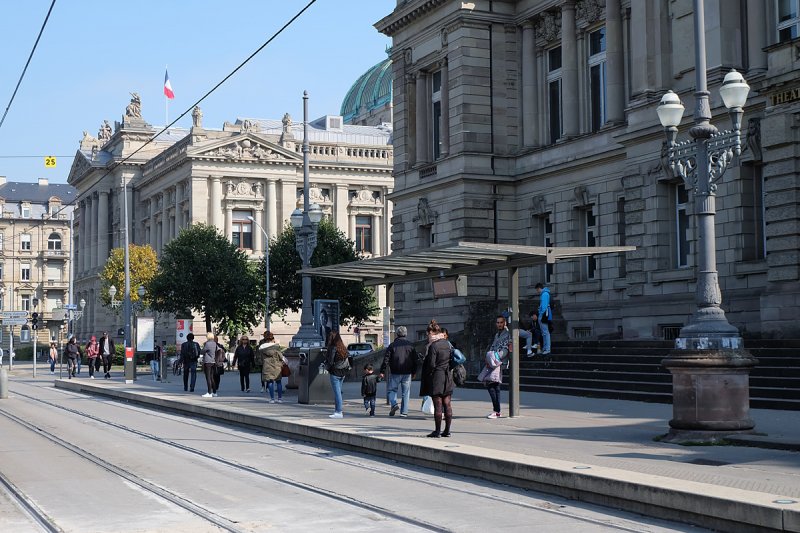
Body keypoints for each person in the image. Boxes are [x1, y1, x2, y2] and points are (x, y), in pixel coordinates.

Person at [419, 319, 454, 438]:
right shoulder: (447, 344)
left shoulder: (433, 346)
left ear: (432, 333)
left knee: (438, 405)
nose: (427, 336)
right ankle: (447, 431)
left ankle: (437, 431)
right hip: (448, 376)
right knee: (447, 404)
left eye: (428, 334)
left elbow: (431, 364)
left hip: (437, 377)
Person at [379, 325, 418, 418]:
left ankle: (394, 404)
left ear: (397, 334)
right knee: (406, 393)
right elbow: (415, 360)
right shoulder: (410, 345)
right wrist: (414, 372)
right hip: (407, 372)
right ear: (406, 334)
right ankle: (404, 412)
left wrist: (382, 371)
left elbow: (386, 359)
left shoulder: (392, 345)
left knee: (392, 390)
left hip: (395, 371)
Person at [484, 315, 511, 419]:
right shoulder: (497, 334)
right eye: (498, 322)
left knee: (491, 385)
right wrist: (488, 356)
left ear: (505, 323)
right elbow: (493, 346)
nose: (499, 324)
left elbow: (505, 350)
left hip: (499, 363)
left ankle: (497, 411)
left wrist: (493, 357)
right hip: (493, 362)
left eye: (501, 322)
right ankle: (497, 411)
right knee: (495, 386)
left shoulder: (507, 334)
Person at [325, 331, 350, 419]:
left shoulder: (333, 348)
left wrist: (326, 367)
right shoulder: (343, 348)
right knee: (338, 392)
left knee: (337, 393)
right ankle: (337, 411)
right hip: (343, 373)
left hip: (335, 373)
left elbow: (331, 362)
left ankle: (339, 412)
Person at [259, 331, 284, 403]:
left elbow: (260, 357)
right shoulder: (276, 347)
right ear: (272, 339)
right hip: (277, 366)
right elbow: (281, 357)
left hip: (267, 366)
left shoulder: (262, 347)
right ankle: (279, 399)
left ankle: (272, 399)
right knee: (278, 382)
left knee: (270, 382)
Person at [536, 282, 552, 356]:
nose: (537, 291)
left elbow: (544, 306)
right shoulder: (545, 294)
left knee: (545, 332)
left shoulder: (544, 294)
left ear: (539, 288)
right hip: (545, 314)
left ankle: (547, 348)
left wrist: (541, 314)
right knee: (544, 332)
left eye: (537, 290)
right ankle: (546, 348)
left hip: (544, 315)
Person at [200, 333, 217, 398]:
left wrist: (201, 350)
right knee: (212, 377)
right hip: (213, 361)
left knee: (208, 378)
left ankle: (209, 392)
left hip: (207, 361)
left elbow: (203, 351)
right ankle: (214, 392)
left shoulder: (207, 344)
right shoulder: (214, 343)